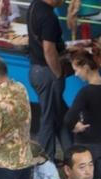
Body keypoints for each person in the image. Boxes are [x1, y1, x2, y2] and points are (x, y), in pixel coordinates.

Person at [64, 48, 101, 179]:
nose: (76, 74)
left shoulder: (85, 93)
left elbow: (68, 120)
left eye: (76, 70)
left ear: (85, 68)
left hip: (86, 146)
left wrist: (76, 127)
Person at [28, 0, 70, 164]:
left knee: (61, 114)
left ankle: (70, 153)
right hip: (48, 73)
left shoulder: (34, 6)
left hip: (35, 70)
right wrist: (58, 74)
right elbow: (48, 49)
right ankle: (46, 159)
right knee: (49, 118)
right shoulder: (49, 16)